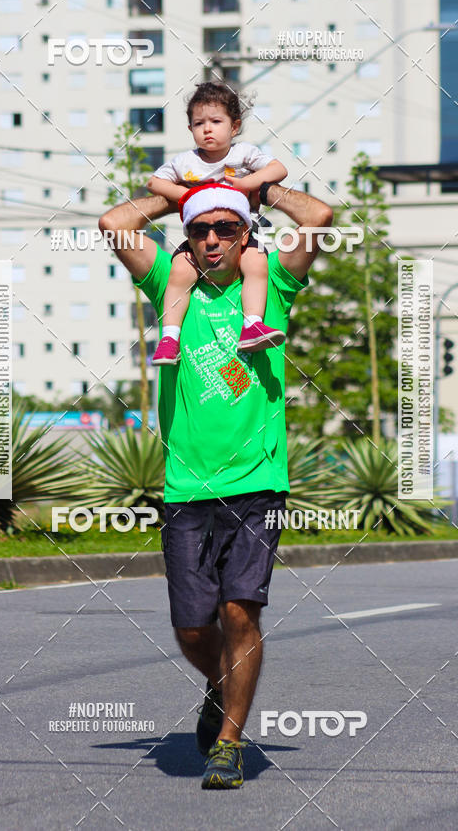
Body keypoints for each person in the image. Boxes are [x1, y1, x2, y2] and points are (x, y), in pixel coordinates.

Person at [99, 181, 332, 789]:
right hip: (185, 486)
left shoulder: (272, 282)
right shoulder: (168, 285)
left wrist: (256, 187)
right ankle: (220, 684)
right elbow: (113, 221)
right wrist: (187, 194)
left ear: (245, 235)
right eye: (201, 229)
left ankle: (228, 742)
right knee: (193, 626)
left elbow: (320, 215)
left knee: (238, 610)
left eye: (225, 228)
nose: (210, 239)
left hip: (258, 480)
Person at [147, 82, 289, 365]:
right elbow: (153, 182)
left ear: (234, 127)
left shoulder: (243, 154)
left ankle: (252, 325)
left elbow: (279, 169)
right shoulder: (185, 161)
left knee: (256, 266)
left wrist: (247, 183)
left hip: (242, 234)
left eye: (216, 121)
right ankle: (169, 338)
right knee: (178, 274)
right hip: (198, 237)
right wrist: (189, 195)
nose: (207, 129)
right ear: (190, 130)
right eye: (199, 123)